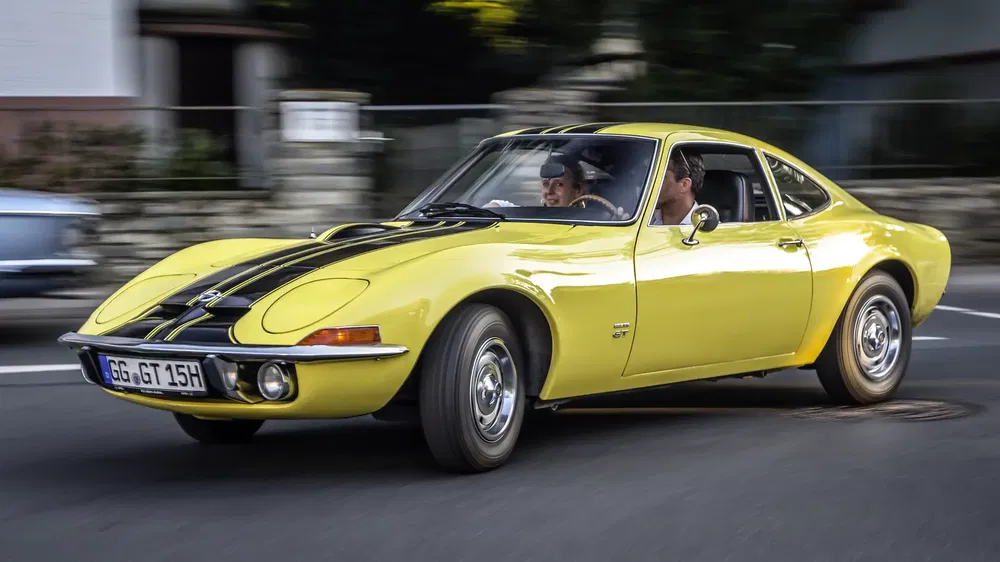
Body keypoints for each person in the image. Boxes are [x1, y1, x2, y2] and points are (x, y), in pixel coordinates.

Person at [485, 154, 586, 208]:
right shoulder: (536, 217)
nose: (549, 191)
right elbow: (497, 206)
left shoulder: (592, 225)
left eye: (559, 184)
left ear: (578, 190)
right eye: (546, 184)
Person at [650, 149, 705, 225]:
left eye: (661, 177)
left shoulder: (708, 230)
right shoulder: (640, 220)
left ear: (684, 185)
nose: (652, 183)